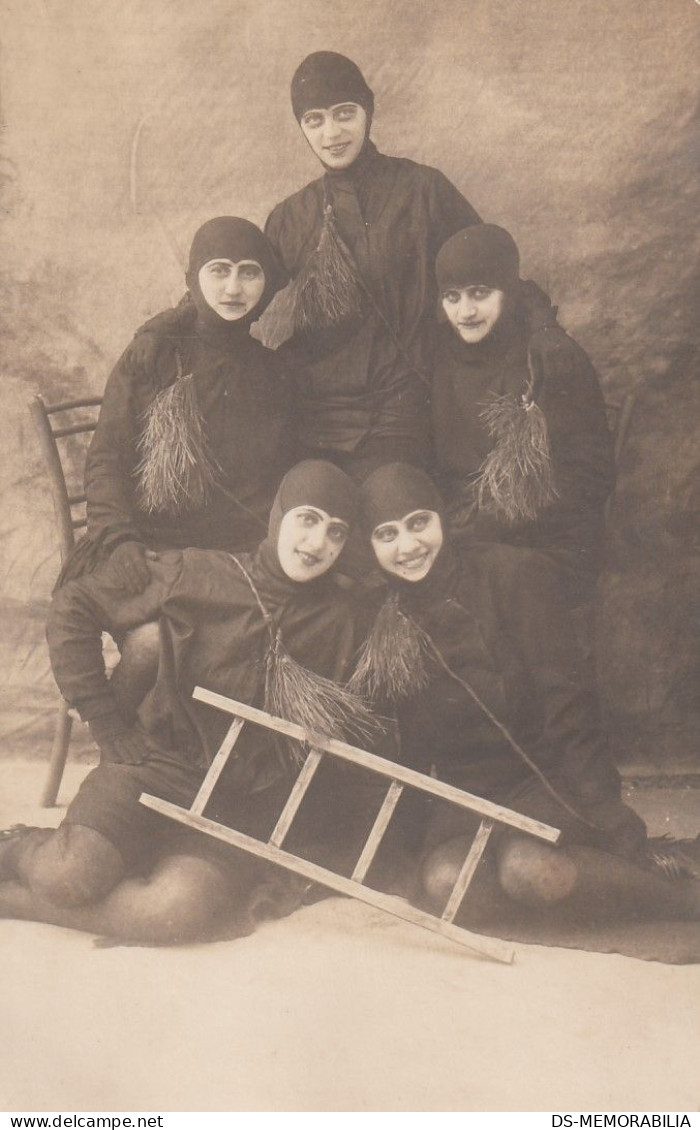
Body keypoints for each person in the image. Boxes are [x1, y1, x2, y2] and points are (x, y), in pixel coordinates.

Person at [134, 52, 574, 483]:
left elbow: (490, 273)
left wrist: (544, 327)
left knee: (378, 509)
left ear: (368, 111)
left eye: (344, 113)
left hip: (403, 406)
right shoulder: (292, 217)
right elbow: (238, 293)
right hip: (309, 410)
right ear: (302, 128)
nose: (332, 132)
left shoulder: (423, 191)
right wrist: (167, 324)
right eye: (315, 120)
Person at [0, 462, 377, 945]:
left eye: (336, 531)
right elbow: (74, 607)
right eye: (307, 518)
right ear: (278, 515)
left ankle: (13, 901)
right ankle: (19, 849)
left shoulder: (343, 619)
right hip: (156, 763)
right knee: (66, 874)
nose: (317, 542)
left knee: (176, 911)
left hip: (236, 801)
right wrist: (107, 722)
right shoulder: (198, 573)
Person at [353, 462, 700, 925]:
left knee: (531, 871)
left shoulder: (511, 575)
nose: (409, 546)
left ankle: (674, 900)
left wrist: (604, 808)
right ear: (370, 547)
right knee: (444, 885)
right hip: (467, 796)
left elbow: (568, 704)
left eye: (419, 523)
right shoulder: (382, 621)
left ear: (442, 518)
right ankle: (575, 896)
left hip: (543, 778)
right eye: (387, 534)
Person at [75, 215, 293, 597]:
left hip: (236, 557)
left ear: (267, 284)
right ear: (194, 278)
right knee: (147, 647)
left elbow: (281, 476)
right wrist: (120, 540)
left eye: (249, 273)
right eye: (219, 271)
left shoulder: (272, 371)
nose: (233, 288)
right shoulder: (154, 354)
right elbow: (107, 459)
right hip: (152, 548)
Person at [431, 224, 615, 597]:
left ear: (509, 292)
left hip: (547, 536)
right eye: (452, 297)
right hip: (470, 530)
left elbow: (588, 475)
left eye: (480, 293)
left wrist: (500, 521)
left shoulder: (549, 359)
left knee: (479, 585)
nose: (465, 311)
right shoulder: (442, 359)